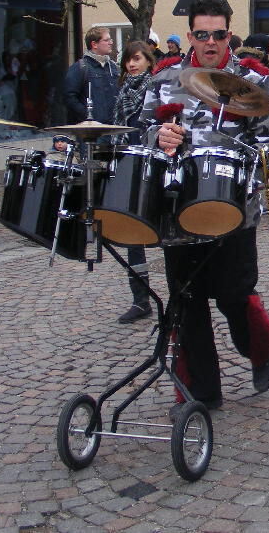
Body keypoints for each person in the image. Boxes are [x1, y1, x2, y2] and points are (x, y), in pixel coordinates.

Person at [141, 0, 269, 411]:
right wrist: (158, 139)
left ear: (229, 34)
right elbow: (139, 132)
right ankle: (200, 392)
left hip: (234, 206)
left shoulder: (253, 80)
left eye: (218, 34)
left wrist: (250, 179)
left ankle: (259, 348)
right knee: (186, 298)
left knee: (233, 293)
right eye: (201, 35)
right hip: (178, 205)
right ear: (189, 36)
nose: (209, 42)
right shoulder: (165, 78)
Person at [112, 40, 157, 324]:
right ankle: (140, 299)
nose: (132, 64)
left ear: (148, 62)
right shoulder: (123, 92)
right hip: (128, 162)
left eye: (137, 59)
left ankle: (183, 294)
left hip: (152, 165)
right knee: (132, 234)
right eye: (128, 59)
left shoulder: (156, 88)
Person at [62, 27, 120, 124]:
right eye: (106, 40)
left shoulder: (114, 68)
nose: (111, 43)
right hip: (92, 131)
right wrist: (88, 116)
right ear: (94, 44)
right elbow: (69, 97)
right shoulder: (80, 68)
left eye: (111, 39)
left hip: (115, 130)